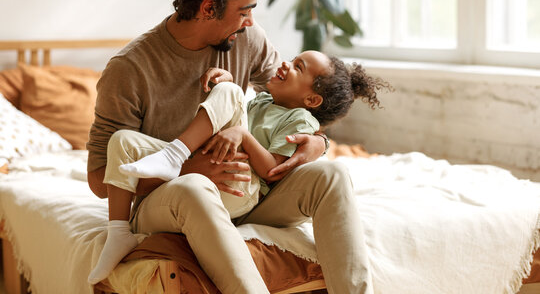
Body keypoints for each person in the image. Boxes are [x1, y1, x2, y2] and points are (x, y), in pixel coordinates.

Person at [86, 0, 378, 293]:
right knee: (194, 186)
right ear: (209, 8)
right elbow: (101, 180)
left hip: (245, 190)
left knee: (332, 175)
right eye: (245, 11)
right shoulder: (129, 71)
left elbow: (296, 98)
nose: (251, 22)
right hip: (169, 196)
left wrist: (318, 141)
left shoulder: (247, 40)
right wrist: (189, 168)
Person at [88, 50, 391, 283]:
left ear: (311, 98)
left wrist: (245, 132)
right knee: (122, 140)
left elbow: (273, 169)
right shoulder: (261, 101)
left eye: (297, 66)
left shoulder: (293, 114)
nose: (284, 64)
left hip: (244, 187)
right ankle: (120, 230)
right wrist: (228, 91)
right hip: (205, 180)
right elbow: (235, 111)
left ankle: (174, 155)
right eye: (292, 59)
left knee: (233, 92)